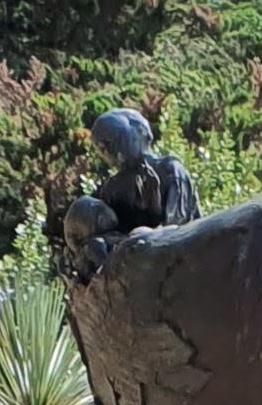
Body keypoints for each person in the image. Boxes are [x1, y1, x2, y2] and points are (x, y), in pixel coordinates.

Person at [61, 107, 200, 280]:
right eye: (100, 147)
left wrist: (148, 228)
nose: (105, 151)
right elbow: (107, 231)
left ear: (135, 133)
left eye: (110, 141)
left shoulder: (169, 169)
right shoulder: (111, 188)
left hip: (169, 249)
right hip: (130, 257)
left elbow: (179, 222)